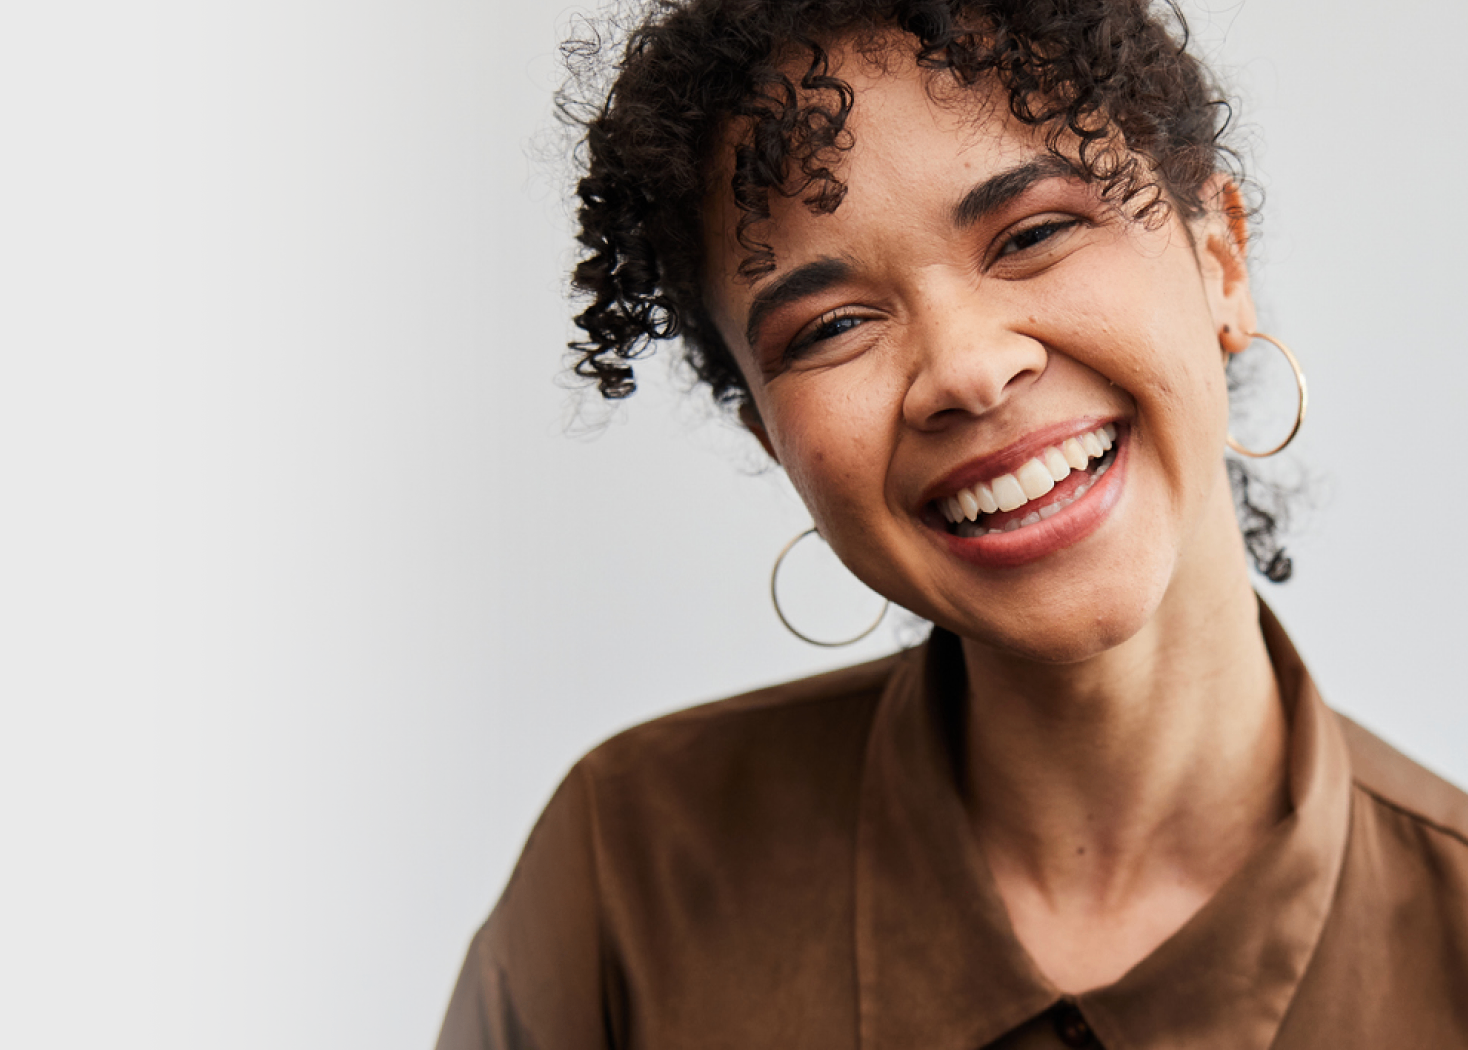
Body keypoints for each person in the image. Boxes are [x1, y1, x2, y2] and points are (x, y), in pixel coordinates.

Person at [437, 1, 1468, 1046]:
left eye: (1034, 233)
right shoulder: (628, 874)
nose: (968, 371)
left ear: (1223, 262)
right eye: (831, 327)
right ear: (770, 441)